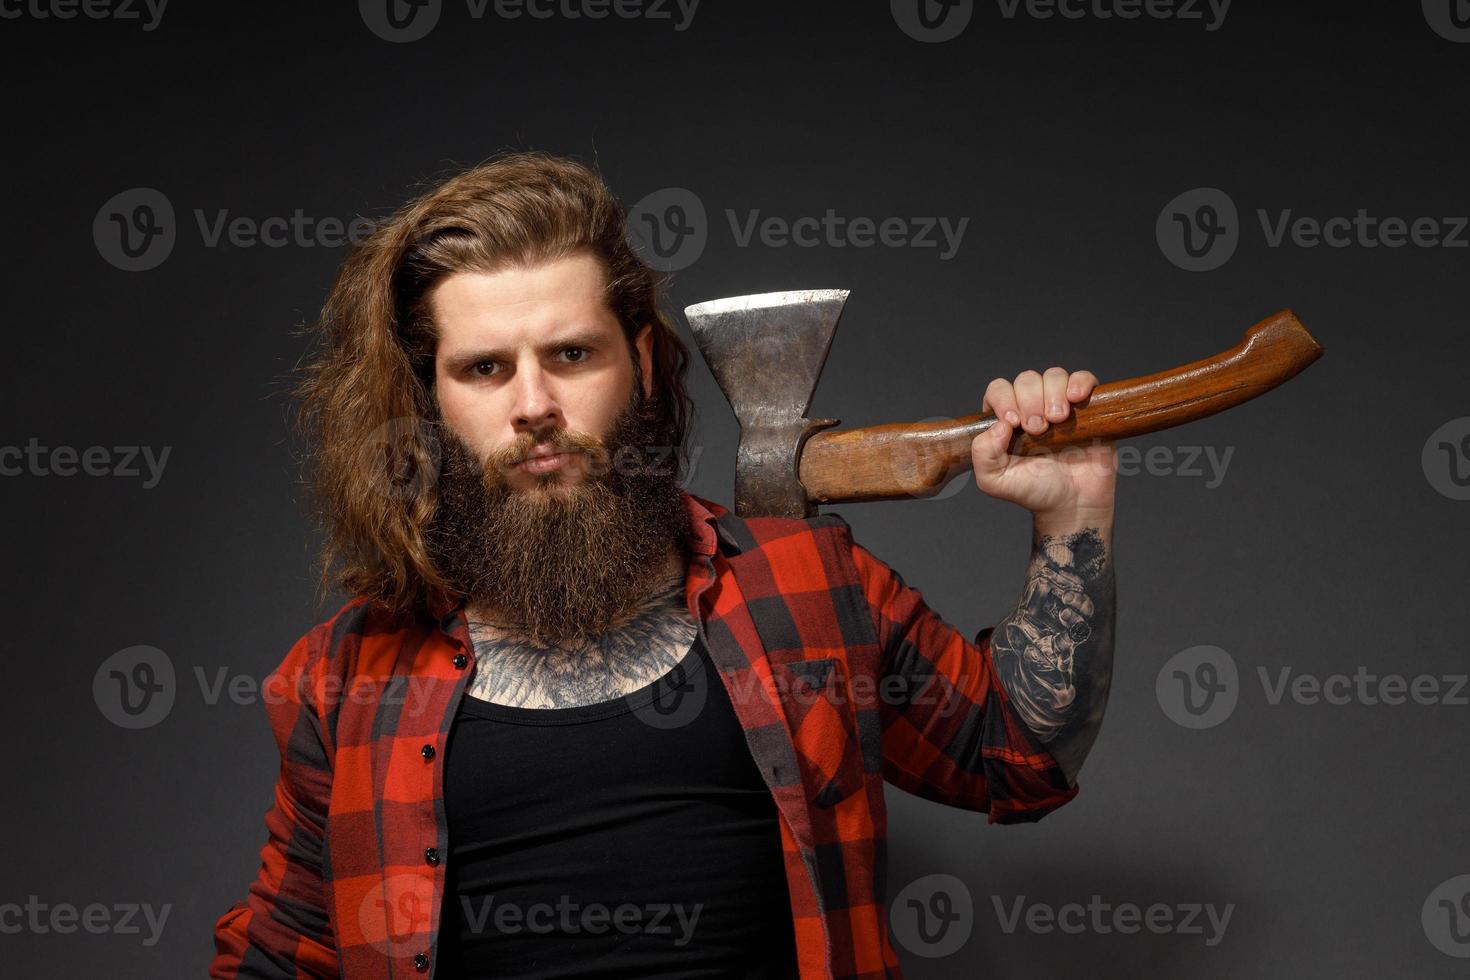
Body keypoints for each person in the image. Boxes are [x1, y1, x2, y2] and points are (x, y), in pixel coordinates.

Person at [209, 150, 1117, 979]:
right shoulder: (342, 678)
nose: (534, 405)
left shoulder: (806, 586)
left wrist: (1073, 516)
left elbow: (1019, 757)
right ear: (430, 397)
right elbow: (282, 961)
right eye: (485, 369)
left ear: (638, 358)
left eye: (571, 354)